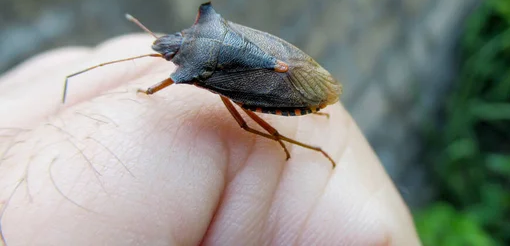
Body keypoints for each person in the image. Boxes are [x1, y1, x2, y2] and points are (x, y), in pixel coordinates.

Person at [0, 34, 422, 245]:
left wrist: (150, 91)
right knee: (247, 119)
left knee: (243, 125)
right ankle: (297, 136)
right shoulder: (198, 50)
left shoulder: (193, 73)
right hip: (275, 57)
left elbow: (187, 87)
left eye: (169, 58)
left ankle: (298, 142)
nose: (167, 58)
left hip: (268, 78)